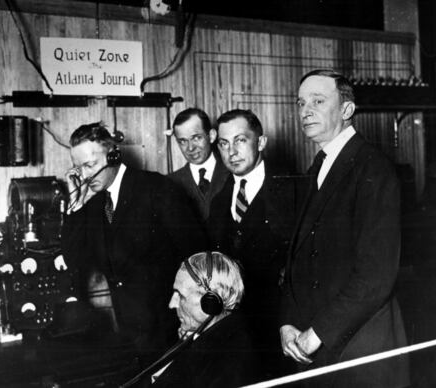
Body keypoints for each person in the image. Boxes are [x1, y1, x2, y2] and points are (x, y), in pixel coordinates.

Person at [280, 69, 409, 387]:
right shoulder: (317, 167)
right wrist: (288, 322)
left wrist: (319, 333)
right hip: (316, 349)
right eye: (300, 102)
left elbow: (376, 276)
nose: (305, 110)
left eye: (318, 101)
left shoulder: (374, 169)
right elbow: (297, 261)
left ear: (347, 110)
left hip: (360, 352)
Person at [60, 122, 208, 357]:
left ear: (114, 155)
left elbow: (197, 257)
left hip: (169, 329)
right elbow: (74, 259)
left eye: (90, 165)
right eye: (79, 169)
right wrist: (76, 204)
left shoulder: (158, 188)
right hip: (127, 334)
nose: (85, 176)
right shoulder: (95, 205)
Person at [207, 108, 296, 379]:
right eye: (223, 143)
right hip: (237, 333)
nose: (231, 151)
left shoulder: (293, 191)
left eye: (240, 140)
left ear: (261, 142)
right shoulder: (220, 200)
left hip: (283, 327)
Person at [147, 251, 260, 388]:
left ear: (210, 302)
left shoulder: (231, 357)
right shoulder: (204, 335)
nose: (172, 304)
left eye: (180, 295)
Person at [168, 108, 230, 221]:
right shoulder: (170, 183)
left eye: (196, 138)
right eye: (183, 141)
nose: (190, 148)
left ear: (211, 136)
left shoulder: (234, 172)